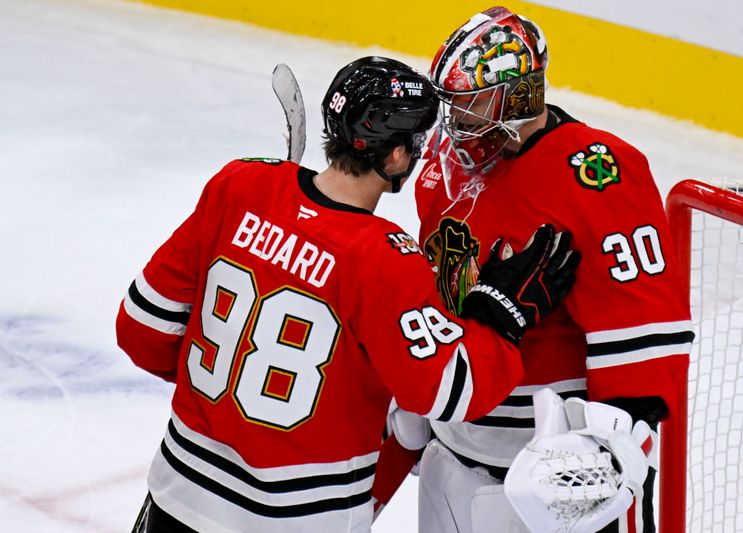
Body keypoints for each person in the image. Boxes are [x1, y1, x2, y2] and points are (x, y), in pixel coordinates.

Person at [116, 55, 580, 533]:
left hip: (176, 496)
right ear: (396, 156)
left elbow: (140, 330)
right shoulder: (384, 259)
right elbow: (453, 392)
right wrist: (497, 315)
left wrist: (230, 400)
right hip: (297, 521)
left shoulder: (241, 186)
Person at [412, 7, 695, 533]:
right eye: (456, 107)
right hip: (451, 450)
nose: (458, 124)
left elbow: (646, 333)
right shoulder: (442, 162)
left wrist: (607, 457)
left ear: (520, 97)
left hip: (550, 475)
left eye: (474, 106)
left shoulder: (596, 174)